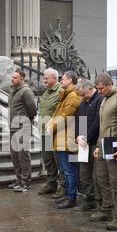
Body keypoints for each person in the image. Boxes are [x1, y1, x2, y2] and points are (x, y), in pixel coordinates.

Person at [92, 73, 117, 230]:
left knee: (116, 181)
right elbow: (102, 125)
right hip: (103, 144)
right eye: (98, 88)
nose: (99, 91)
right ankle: (106, 209)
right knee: (101, 179)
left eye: (101, 88)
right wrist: (98, 146)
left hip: (114, 144)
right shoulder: (105, 99)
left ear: (109, 84)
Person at [47, 71, 81, 209]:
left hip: (66, 138)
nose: (61, 81)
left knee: (69, 170)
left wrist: (51, 127)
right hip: (61, 138)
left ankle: (72, 197)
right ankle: (68, 194)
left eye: (64, 79)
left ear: (71, 80)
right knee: (65, 169)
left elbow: (65, 116)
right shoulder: (66, 94)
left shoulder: (72, 96)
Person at [74, 79, 103, 212]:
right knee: (84, 174)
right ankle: (89, 199)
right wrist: (78, 136)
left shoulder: (100, 100)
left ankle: (100, 202)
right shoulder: (83, 102)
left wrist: (87, 137)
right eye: (80, 94)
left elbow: (98, 122)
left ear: (90, 88)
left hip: (94, 143)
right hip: (83, 143)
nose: (81, 97)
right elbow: (79, 120)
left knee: (98, 175)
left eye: (83, 94)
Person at [8, 69, 37, 192]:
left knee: (23, 156)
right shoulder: (13, 91)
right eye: (12, 77)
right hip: (13, 127)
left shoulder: (26, 91)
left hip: (23, 128)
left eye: (15, 77)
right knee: (15, 156)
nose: (12, 79)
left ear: (21, 79)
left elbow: (33, 110)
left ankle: (26, 182)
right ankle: (19, 179)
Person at [38, 68, 65, 198]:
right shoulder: (46, 92)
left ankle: (62, 186)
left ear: (54, 78)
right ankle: (51, 183)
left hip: (55, 133)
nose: (44, 80)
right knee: (48, 160)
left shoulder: (61, 92)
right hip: (44, 132)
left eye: (46, 78)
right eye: (44, 78)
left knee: (59, 161)